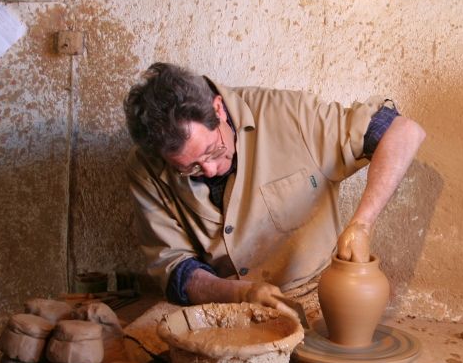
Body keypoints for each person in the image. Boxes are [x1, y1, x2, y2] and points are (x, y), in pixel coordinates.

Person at [123, 63, 425, 311]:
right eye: (189, 168)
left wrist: (362, 224)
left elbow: (402, 132)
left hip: (312, 298)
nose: (211, 169)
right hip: (224, 302)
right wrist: (240, 294)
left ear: (218, 109)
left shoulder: (288, 115)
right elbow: (176, 270)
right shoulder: (147, 168)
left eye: (213, 151)